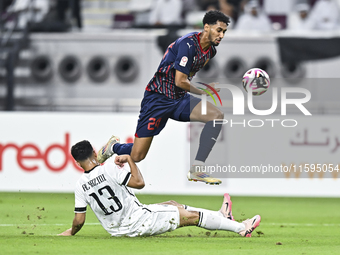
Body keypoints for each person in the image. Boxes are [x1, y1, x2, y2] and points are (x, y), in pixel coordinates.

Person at [97, 10, 231, 185]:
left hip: (179, 99)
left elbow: (185, 79)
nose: (221, 35)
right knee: (138, 155)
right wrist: (205, 90)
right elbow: (180, 80)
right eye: (218, 30)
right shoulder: (188, 45)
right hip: (157, 99)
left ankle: (197, 169)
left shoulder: (210, 51)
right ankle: (113, 147)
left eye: (224, 32)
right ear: (206, 27)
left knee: (216, 116)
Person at [59, 140, 261, 237]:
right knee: (190, 216)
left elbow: (79, 220)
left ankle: (220, 215)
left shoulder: (80, 185)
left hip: (118, 230)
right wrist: (129, 159)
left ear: (77, 163)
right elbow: (139, 183)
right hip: (138, 221)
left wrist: (70, 233)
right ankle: (241, 228)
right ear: (95, 152)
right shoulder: (110, 169)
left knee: (172, 204)